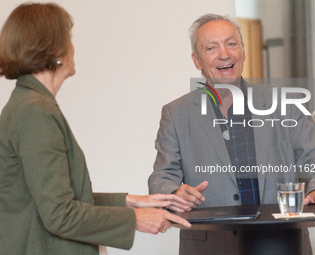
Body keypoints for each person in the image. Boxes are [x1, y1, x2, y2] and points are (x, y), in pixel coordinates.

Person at [0, 3, 192, 255]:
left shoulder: (27, 104)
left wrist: (130, 202)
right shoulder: (36, 112)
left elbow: (50, 198)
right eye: (68, 39)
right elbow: (60, 214)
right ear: (56, 50)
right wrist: (136, 219)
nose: (73, 48)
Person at [148, 13, 315, 254]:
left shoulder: (283, 103)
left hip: (280, 241)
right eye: (211, 48)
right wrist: (174, 192)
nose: (225, 54)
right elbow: (161, 177)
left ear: (243, 51)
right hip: (211, 245)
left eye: (231, 44)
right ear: (197, 60)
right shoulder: (176, 113)